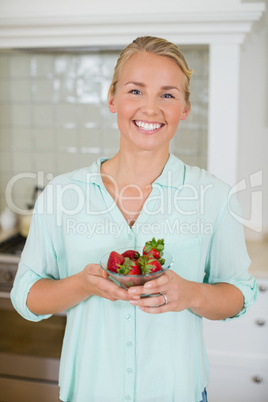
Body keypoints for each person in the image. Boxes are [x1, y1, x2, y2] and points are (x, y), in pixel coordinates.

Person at [11, 36, 258, 402]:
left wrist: (191, 293)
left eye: (168, 95)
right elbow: (25, 297)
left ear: (185, 108)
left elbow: (240, 295)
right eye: (136, 91)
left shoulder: (214, 197)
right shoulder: (63, 194)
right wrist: (82, 285)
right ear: (113, 99)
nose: (151, 108)